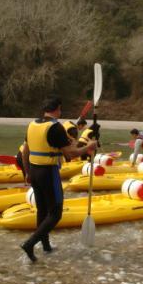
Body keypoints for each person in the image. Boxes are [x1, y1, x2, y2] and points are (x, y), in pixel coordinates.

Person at [20, 97, 98, 263]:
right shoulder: (55, 127)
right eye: (60, 110)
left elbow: (25, 151)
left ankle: (46, 246)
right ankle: (30, 243)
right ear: (57, 109)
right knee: (55, 213)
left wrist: (27, 172)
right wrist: (89, 146)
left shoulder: (32, 124)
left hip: (34, 171)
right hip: (48, 172)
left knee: (42, 210)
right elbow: (70, 154)